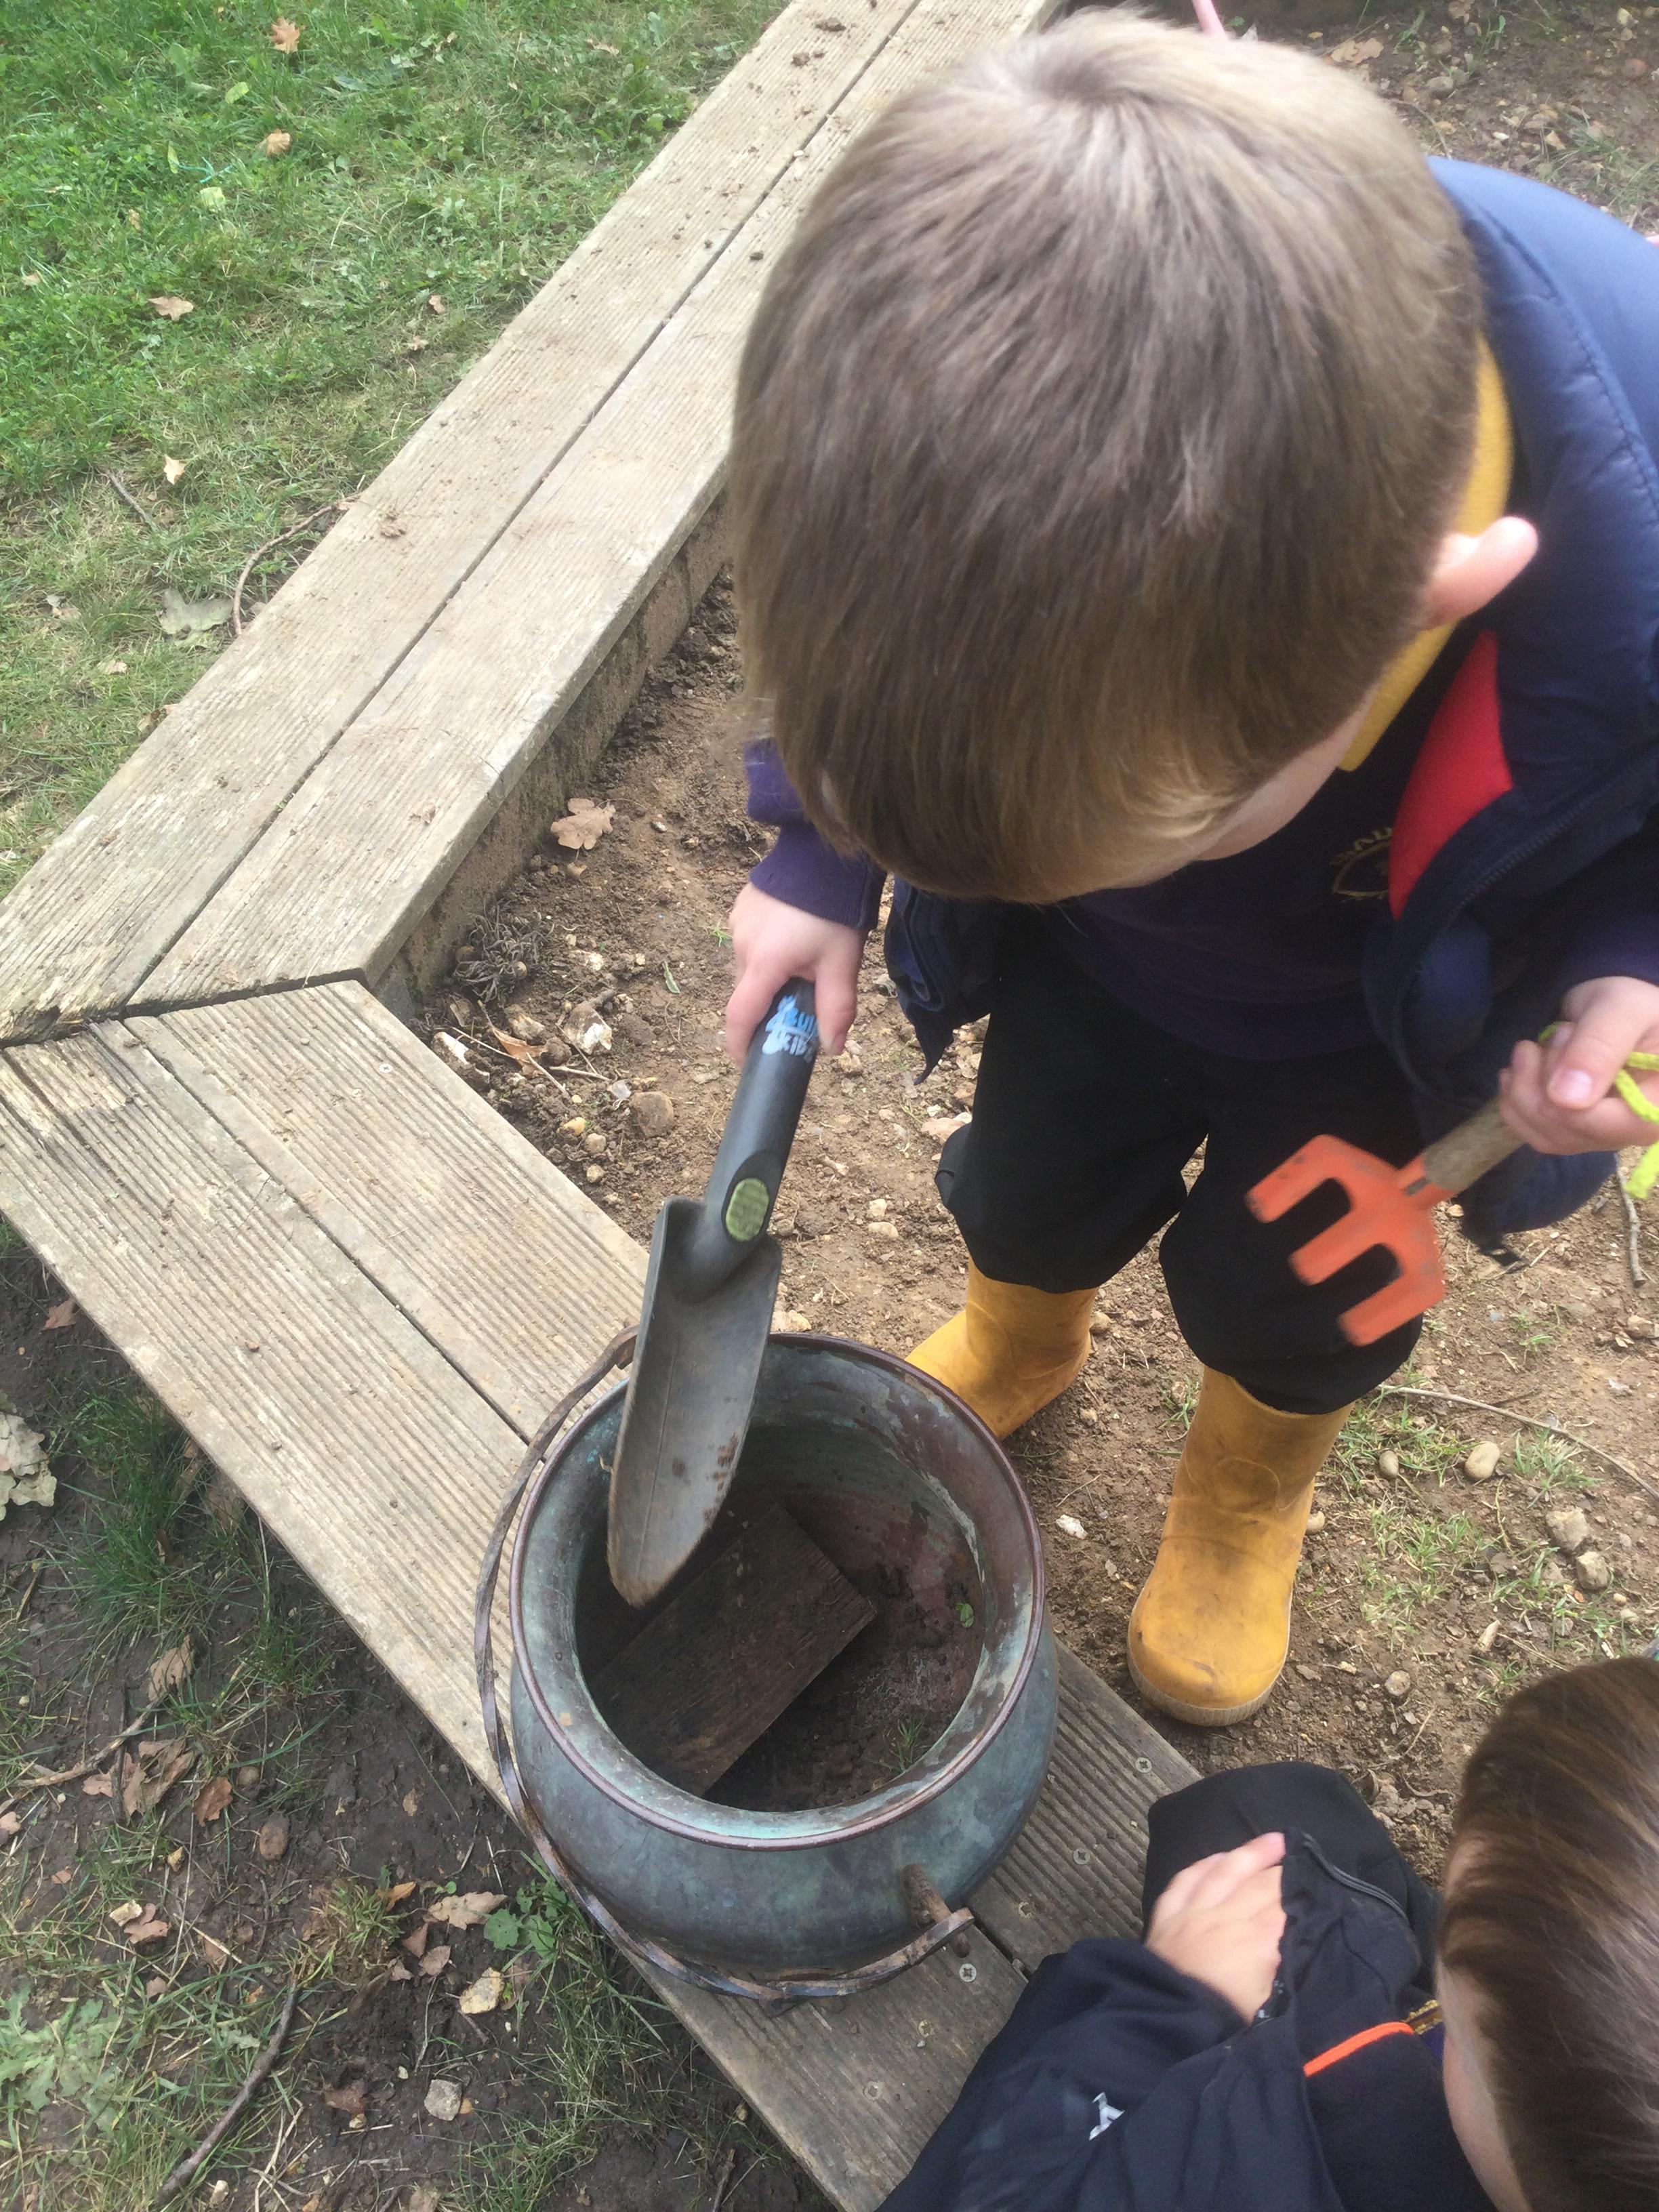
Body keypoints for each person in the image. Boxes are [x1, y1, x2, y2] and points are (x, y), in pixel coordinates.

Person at [721, 10, 1659, 1725]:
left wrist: (1630, 963)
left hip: (1384, 1027)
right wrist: (821, 839)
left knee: (1298, 1292)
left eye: (1160, 824)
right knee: (1031, 1178)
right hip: (1099, 982)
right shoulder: (979, 348)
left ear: (1427, 605)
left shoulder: (1636, 541)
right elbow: (878, 628)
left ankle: (1247, 1482)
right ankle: (1025, 1331)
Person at [878, 1655, 1659, 2212]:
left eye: (1451, 1934)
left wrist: (1168, 2007)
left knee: (1247, 1830)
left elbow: (979, 2190)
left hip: (1269, 2111)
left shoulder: (1216, 2174)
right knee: (1279, 1813)